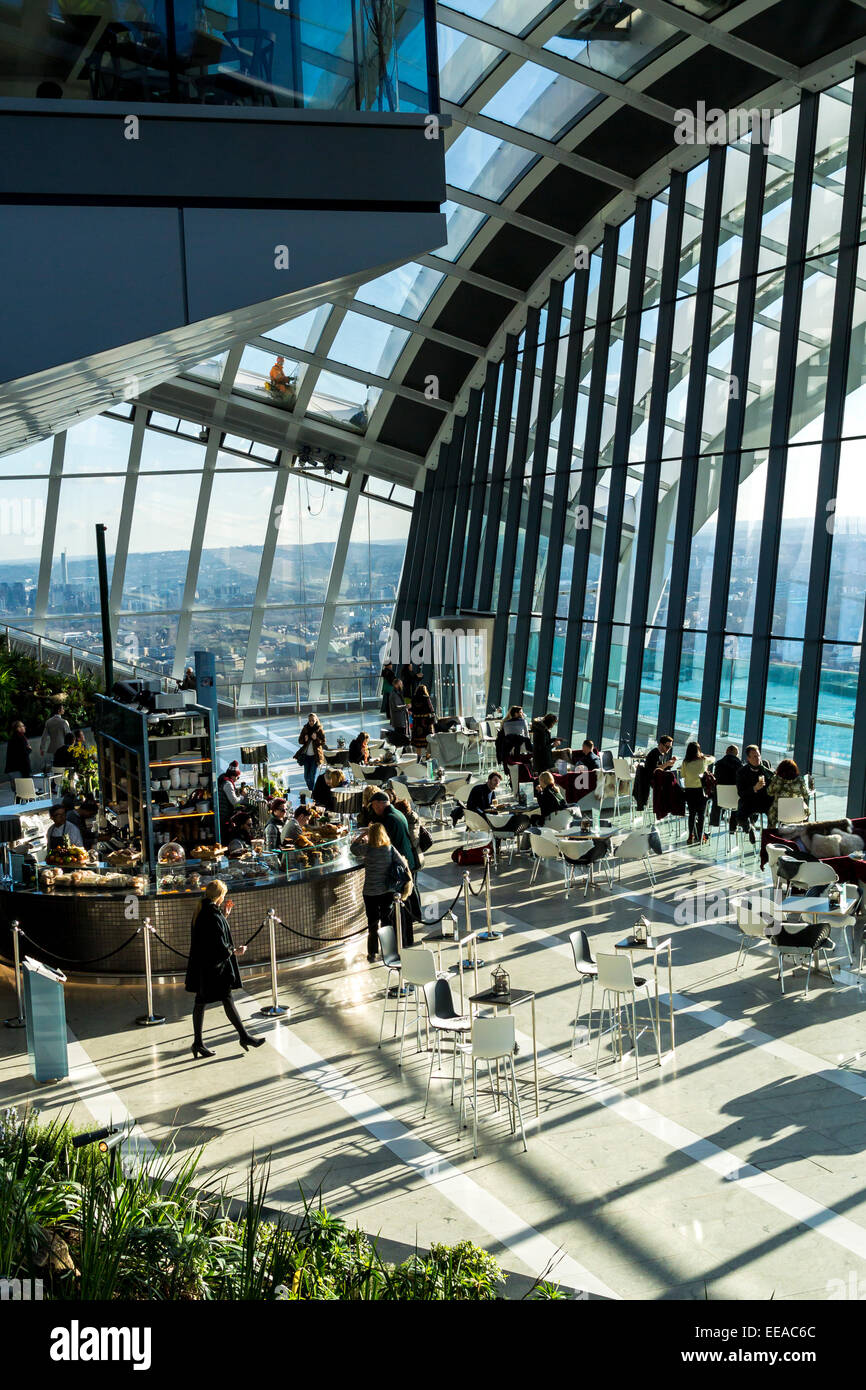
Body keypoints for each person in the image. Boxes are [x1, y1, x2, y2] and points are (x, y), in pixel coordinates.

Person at [185, 880, 265, 1058]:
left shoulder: (203, 910)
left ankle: (199, 1043)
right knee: (225, 999)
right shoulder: (211, 914)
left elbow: (211, 935)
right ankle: (243, 1037)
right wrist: (235, 951)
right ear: (220, 896)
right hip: (214, 968)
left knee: (201, 1001)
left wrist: (225, 916)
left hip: (204, 966)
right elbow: (218, 944)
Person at [352, 821, 414, 961]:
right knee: (387, 922)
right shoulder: (389, 849)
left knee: (372, 924)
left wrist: (363, 834)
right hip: (387, 891)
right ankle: (388, 951)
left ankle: (372, 953)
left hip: (370, 892)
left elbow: (353, 848)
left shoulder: (367, 849)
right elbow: (403, 864)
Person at [366, 791, 418, 942]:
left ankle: (401, 939)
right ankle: (408, 937)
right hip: (407, 862)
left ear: (380, 804)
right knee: (406, 902)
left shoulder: (388, 820)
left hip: (399, 868)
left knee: (399, 906)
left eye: (375, 806)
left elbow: (383, 844)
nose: (374, 810)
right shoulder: (398, 813)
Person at [736, 744, 773, 844]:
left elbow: (773, 787)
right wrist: (754, 788)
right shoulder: (742, 772)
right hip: (750, 801)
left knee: (774, 813)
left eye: (759, 755)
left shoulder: (766, 770)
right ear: (748, 758)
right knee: (740, 815)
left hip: (764, 800)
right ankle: (749, 828)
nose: (758, 759)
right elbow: (741, 793)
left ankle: (770, 839)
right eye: (755, 756)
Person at [681, 740, 713, 846]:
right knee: (701, 814)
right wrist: (704, 755)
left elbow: (683, 775)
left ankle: (690, 835)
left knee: (692, 814)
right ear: (698, 750)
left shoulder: (685, 762)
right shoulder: (703, 760)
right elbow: (713, 759)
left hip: (689, 791)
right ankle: (700, 836)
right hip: (700, 791)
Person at [767, 758, 810, 829]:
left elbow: (769, 792)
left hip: (780, 813)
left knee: (772, 813)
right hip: (797, 813)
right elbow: (805, 795)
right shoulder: (800, 780)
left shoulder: (777, 779)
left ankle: (772, 835)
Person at [709, 745, 742, 836]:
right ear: (736, 754)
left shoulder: (718, 764)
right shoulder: (739, 765)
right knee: (739, 798)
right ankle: (733, 827)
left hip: (720, 800)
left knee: (717, 793)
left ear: (726, 752)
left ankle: (714, 822)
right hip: (734, 800)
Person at [297, 713, 326, 793]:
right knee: (306, 776)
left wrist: (316, 738)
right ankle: (312, 791)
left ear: (316, 720)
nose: (311, 722)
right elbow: (300, 740)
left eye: (313, 720)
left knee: (312, 776)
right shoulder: (305, 729)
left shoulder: (319, 729)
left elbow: (323, 742)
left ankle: (312, 792)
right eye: (310, 721)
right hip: (306, 756)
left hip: (315, 757)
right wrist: (305, 739)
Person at [39, 705, 71, 769]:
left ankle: (57, 777)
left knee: (57, 764)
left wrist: (42, 748)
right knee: (64, 765)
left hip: (54, 748)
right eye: (62, 709)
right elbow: (69, 736)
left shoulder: (48, 722)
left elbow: (44, 737)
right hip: (64, 747)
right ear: (59, 710)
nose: (64, 710)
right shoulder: (64, 722)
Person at [410, 683, 435, 760]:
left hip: (417, 722)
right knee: (427, 740)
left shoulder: (413, 698)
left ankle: (418, 757)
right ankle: (427, 756)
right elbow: (431, 709)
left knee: (418, 742)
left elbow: (411, 709)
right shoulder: (426, 698)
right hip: (425, 722)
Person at [388, 680, 411, 749]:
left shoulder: (397, 693)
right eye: (400, 684)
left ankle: (400, 749)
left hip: (400, 719)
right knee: (400, 737)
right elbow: (395, 707)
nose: (402, 686)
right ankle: (399, 750)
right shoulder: (394, 694)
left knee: (400, 736)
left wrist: (406, 710)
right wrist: (406, 706)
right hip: (398, 720)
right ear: (396, 685)